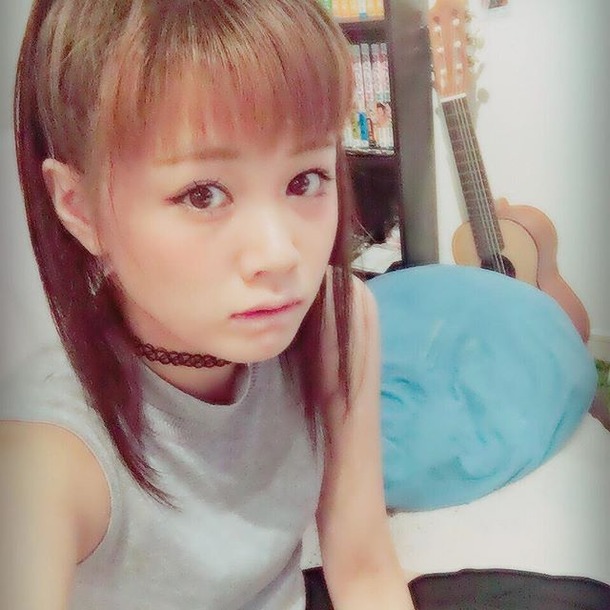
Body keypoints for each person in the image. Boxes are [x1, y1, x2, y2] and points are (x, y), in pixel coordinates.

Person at [0, 1, 416, 608]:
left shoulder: (336, 320)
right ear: (80, 208)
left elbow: (364, 569)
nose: (279, 255)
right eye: (203, 194)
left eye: (304, 180)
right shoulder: (46, 451)